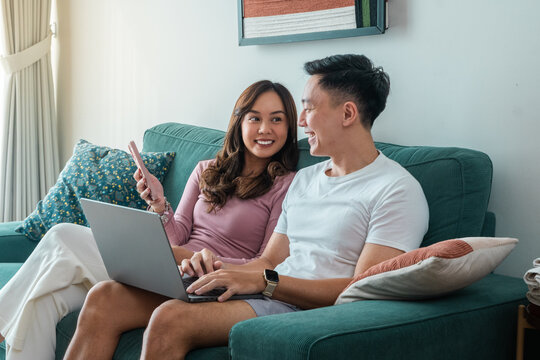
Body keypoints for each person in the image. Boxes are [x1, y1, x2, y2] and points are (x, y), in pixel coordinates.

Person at [64, 54, 429, 360]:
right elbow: (268, 260)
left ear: (347, 113)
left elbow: (360, 291)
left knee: (170, 318)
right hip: (269, 288)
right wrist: (214, 266)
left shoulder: (395, 191)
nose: (301, 122)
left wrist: (264, 282)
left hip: (302, 307)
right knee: (106, 296)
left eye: (308, 109)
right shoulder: (307, 179)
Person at [0, 80, 299, 360]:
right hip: (166, 264)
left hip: (208, 275)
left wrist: (201, 260)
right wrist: (159, 205)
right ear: (239, 122)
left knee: (63, 235)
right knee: (49, 298)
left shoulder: (287, 186)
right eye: (255, 118)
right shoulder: (206, 169)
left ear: (289, 126)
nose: (265, 129)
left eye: (277, 119)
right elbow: (177, 234)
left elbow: (264, 262)